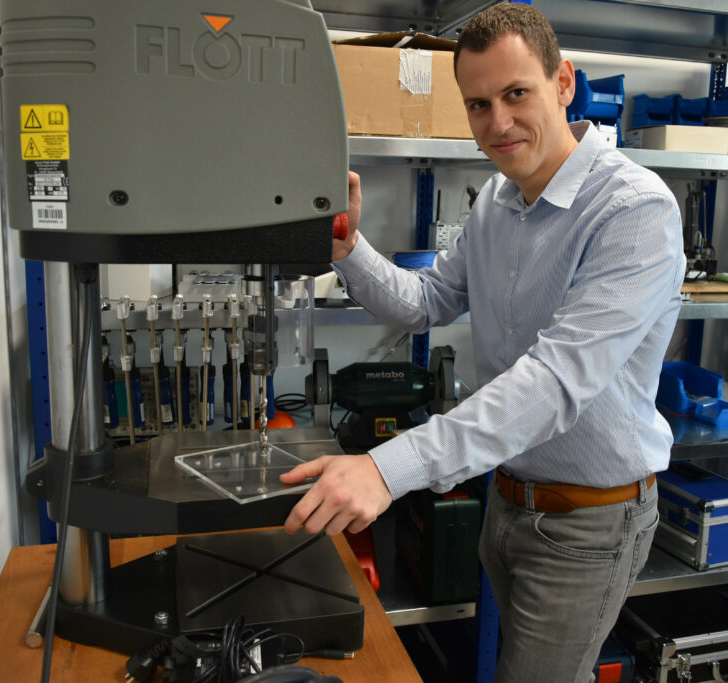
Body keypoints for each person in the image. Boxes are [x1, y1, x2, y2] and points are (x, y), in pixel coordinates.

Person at [281, 4, 684, 681]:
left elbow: (554, 383)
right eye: (478, 104)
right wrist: (348, 249)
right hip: (507, 499)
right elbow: (425, 302)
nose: (497, 123)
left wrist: (387, 468)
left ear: (563, 83)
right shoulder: (496, 201)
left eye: (516, 93)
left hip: (589, 522)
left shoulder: (634, 210)